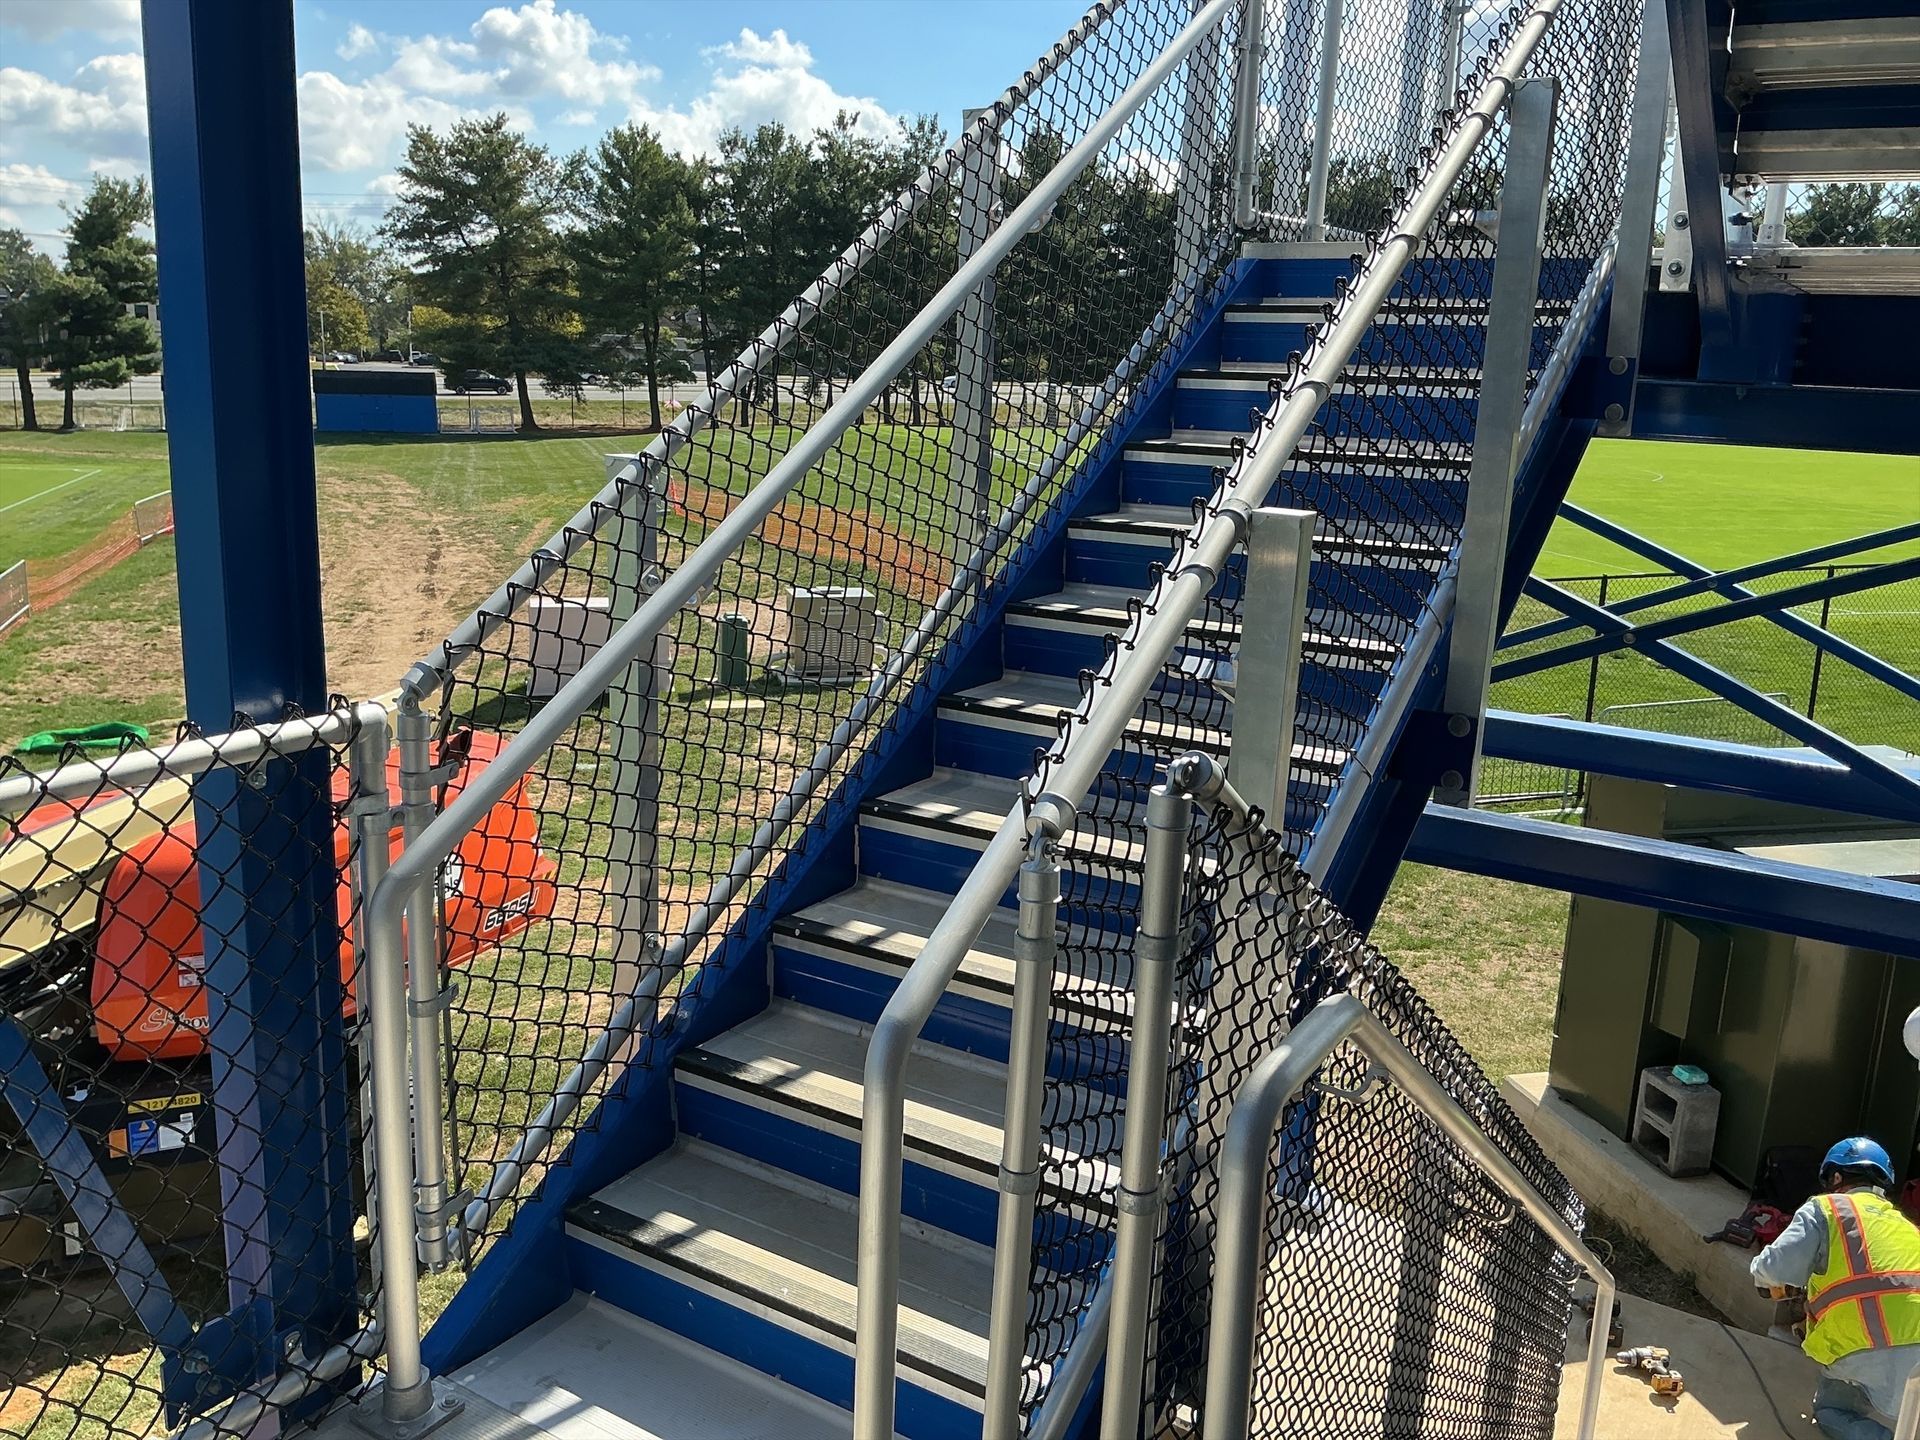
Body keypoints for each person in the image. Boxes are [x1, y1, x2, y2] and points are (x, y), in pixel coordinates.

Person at [1751, 1137, 1920, 1440]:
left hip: (1866, 1347)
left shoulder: (1826, 1208)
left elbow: (1772, 1269)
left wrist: (1762, 1278)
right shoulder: (1906, 1227)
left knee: (1831, 1410)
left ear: (1837, 1178)